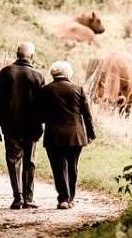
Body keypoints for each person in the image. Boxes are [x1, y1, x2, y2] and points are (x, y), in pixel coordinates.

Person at [0, 42, 45, 209]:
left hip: (10, 126)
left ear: (16, 54)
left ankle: (18, 197)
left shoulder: (6, 73)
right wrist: (42, 124)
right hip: (32, 127)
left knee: (13, 160)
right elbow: (43, 105)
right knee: (30, 161)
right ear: (32, 57)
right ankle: (29, 199)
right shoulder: (38, 76)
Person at [40, 61, 96, 209]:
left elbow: (40, 114)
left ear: (53, 73)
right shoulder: (78, 89)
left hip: (54, 135)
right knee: (73, 166)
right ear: (68, 73)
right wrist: (90, 133)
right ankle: (70, 198)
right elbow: (87, 114)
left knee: (58, 168)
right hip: (75, 135)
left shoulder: (46, 90)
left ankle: (63, 199)